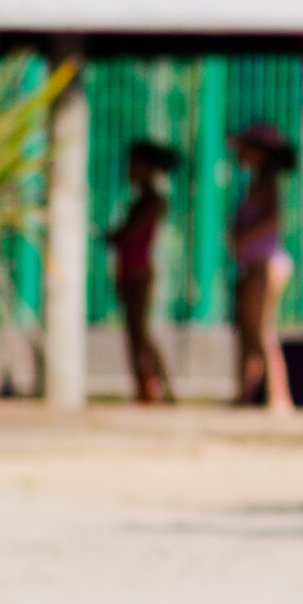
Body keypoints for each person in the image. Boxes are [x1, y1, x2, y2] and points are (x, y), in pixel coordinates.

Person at [227, 121, 298, 412]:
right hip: (255, 264)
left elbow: (273, 220)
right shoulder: (256, 182)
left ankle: (279, 399)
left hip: (266, 265)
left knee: (260, 330)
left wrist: (242, 234)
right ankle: (246, 394)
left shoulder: (266, 184)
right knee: (248, 330)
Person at [110, 140, 178, 405]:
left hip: (139, 271)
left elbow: (129, 234)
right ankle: (143, 386)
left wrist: (115, 236)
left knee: (141, 332)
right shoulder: (138, 200)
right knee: (134, 331)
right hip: (127, 269)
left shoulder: (153, 201)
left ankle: (159, 387)